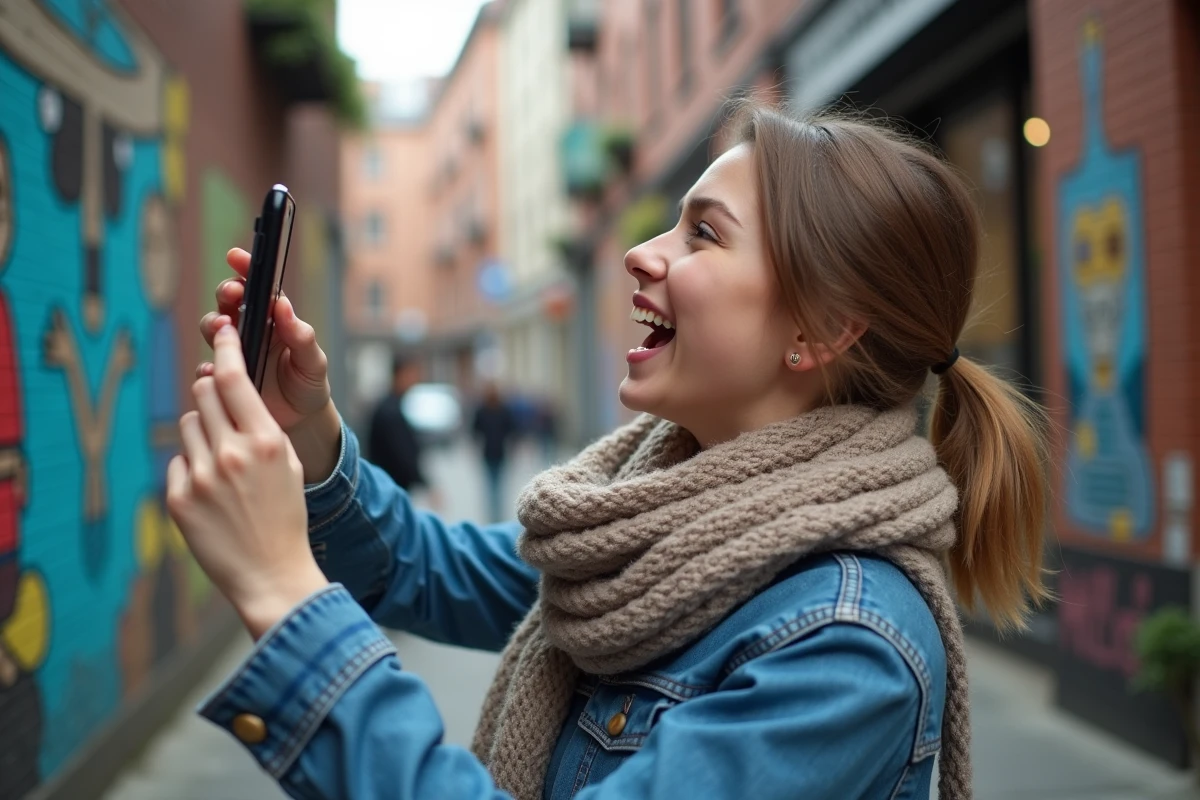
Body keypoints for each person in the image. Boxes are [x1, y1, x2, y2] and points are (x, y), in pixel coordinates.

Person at [173, 104, 1049, 800]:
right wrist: (312, 434)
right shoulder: (647, 525)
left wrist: (285, 596)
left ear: (822, 329)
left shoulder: (847, 648)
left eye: (703, 234)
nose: (640, 254)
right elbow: (426, 571)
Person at [366, 354, 427, 494]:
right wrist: (423, 481)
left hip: (391, 484)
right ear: (400, 375)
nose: (415, 381)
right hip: (390, 484)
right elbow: (402, 451)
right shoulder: (389, 410)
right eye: (412, 375)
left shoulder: (393, 405)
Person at [472, 382, 516, 523]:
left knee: (491, 484)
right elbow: (512, 430)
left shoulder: (482, 410)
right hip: (499, 451)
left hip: (489, 452)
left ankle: (493, 513)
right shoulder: (503, 410)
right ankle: (496, 513)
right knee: (497, 484)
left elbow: (475, 431)